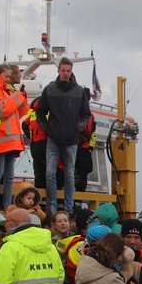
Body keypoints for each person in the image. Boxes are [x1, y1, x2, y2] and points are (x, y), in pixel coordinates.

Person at [37, 57, 91, 213]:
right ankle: (52, 208)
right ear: (58, 71)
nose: (66, 73)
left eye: (68, 71)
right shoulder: (49, 89)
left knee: (69, 174)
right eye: (63, 70)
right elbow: (40, 113)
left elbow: (86, 115)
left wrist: (77, 128)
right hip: (54, 138)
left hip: (71, 139)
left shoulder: (79, 91)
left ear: (71, 71)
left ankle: (68, 208)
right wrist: (48, 130)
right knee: (50, 173)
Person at [0, 63, 30, 219]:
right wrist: (18, 97)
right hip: (0, 138)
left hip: (11, 140)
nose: (8, 79)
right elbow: (2, 111)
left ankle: (7, 207)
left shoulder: (8, 91)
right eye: (6, 76)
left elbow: (21, 112)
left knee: (9, 176)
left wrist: (20, 97)